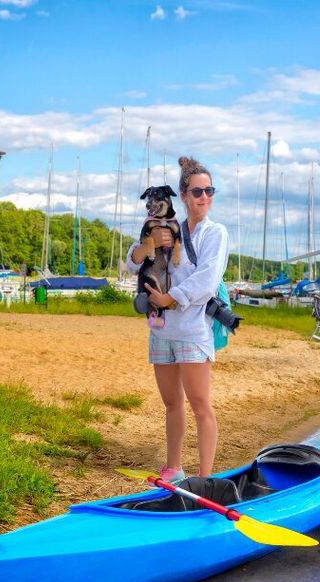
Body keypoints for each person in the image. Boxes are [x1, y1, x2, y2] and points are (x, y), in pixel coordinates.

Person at [125, 156, 229, 480]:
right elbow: (132, 262)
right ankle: (173, 468)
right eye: (197, 192)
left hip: (193, 330)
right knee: (172, 404)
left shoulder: (216, 233)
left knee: (201, 405)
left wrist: (171, 298)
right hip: (161, 330)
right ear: (183, 196)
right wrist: (151, 244)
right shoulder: (168, 228)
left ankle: (205, 478)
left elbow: (207, 280)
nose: (204, 198)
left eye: (209, 191)